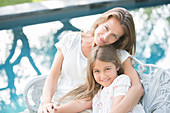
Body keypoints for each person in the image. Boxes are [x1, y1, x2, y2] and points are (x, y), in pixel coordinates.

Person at [38, 7, 144, 113]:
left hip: (83, 109)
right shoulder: (70, 40)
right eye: (106, 28)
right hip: (53, 105)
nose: (106, 37)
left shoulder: (117, 55)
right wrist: (46, 102)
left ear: (119, 39)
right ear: (100, 22)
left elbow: (137, 88)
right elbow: (53, 76)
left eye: (114, 35)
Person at [52, 45, 145, 113]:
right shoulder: (98, 93)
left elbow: (117, 107)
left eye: (107, 69)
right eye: (97, 71)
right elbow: (80, 104)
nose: (103, 76)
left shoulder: (121, 81)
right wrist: (56, 110)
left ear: (117, 66)